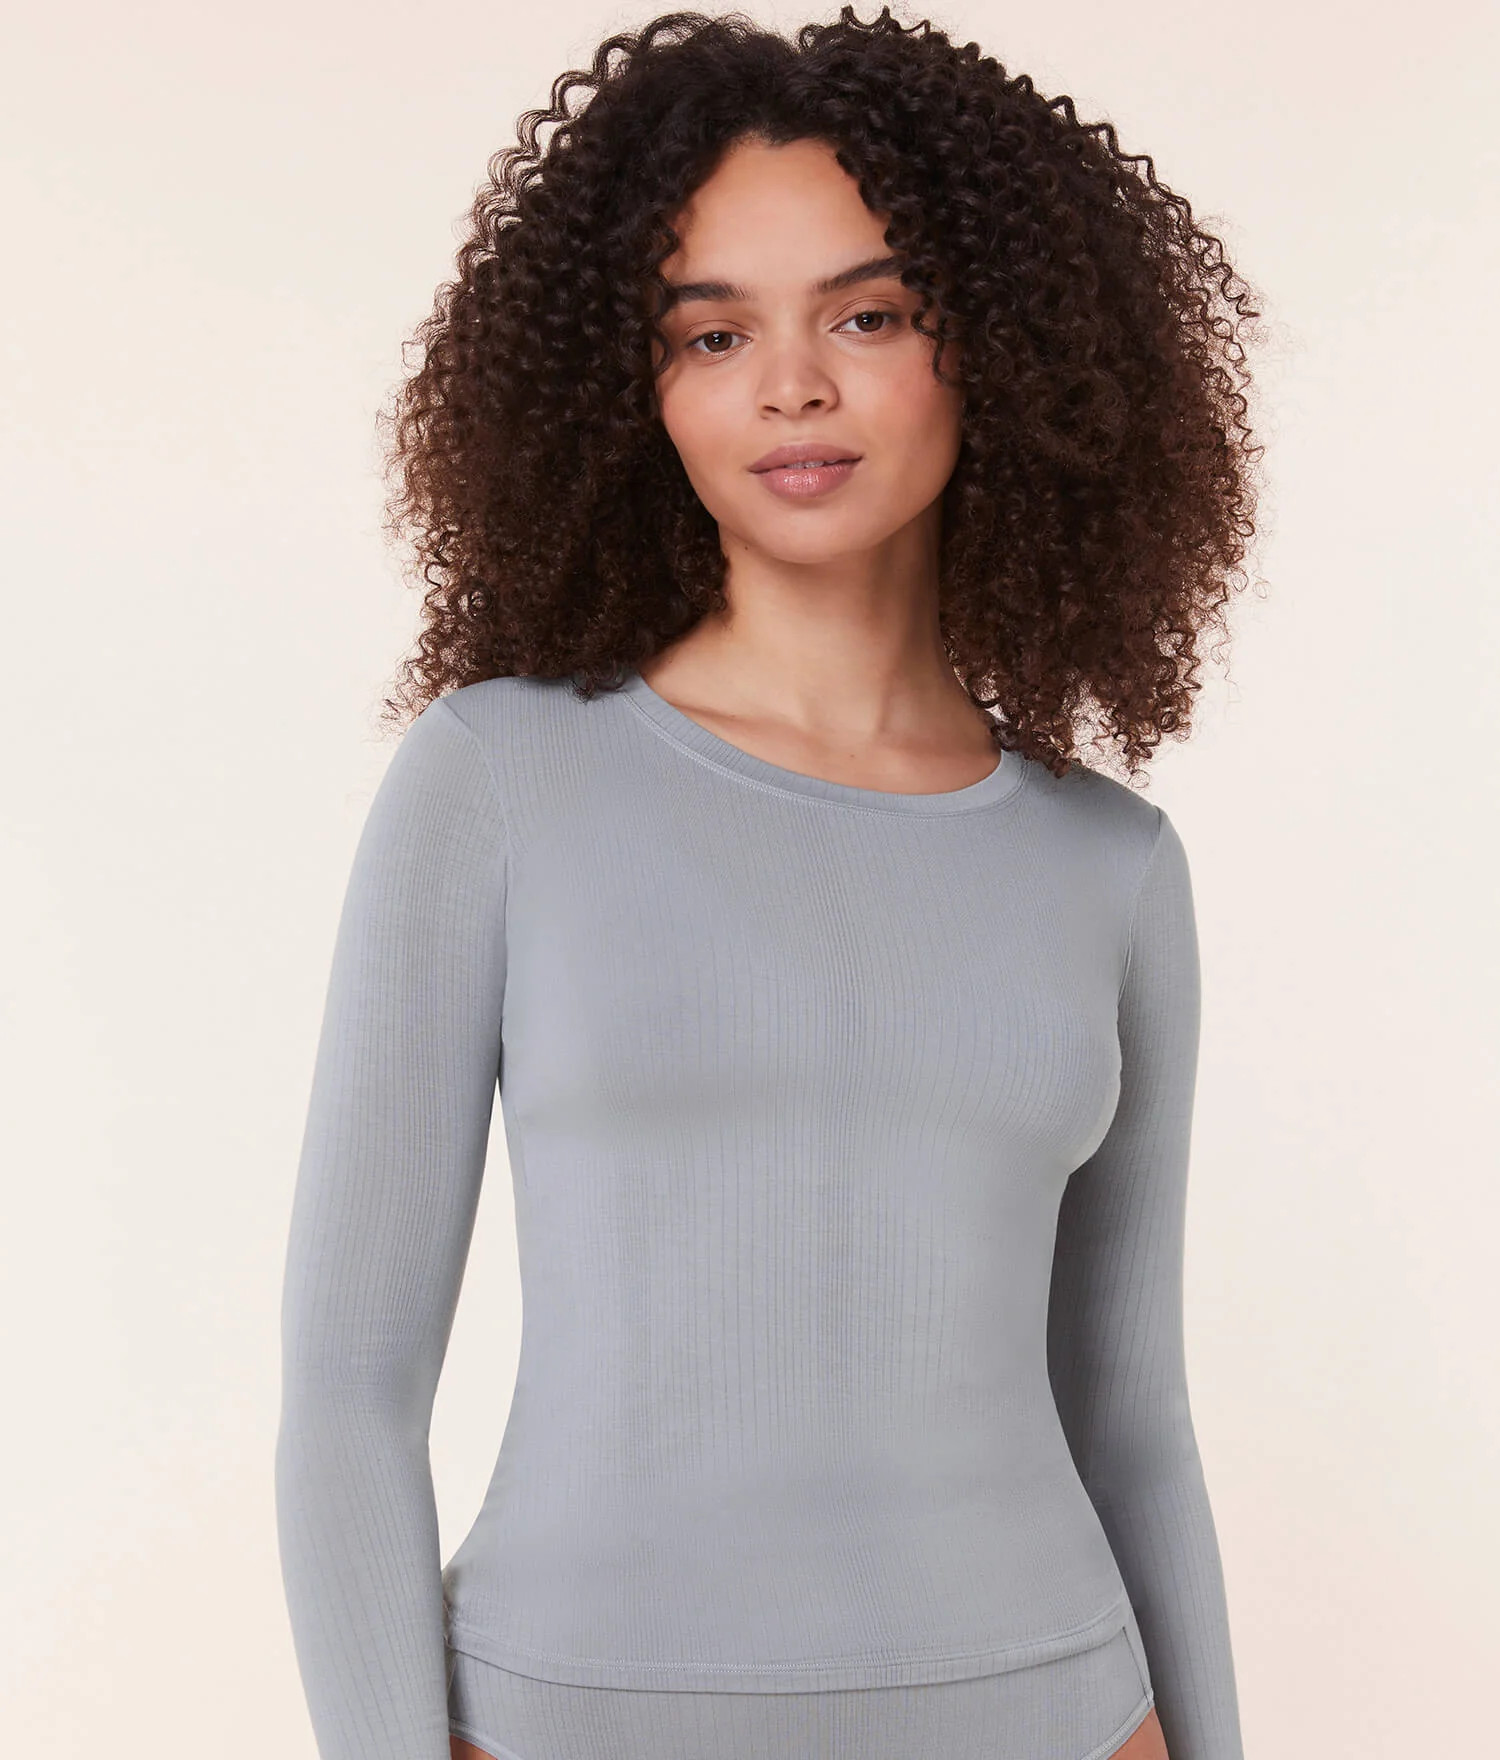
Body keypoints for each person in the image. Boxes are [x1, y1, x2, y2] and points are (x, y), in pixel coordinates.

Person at [274, 9, 1266, 1760]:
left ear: (1004, 345)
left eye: (868, 316)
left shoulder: (1110, 865)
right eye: (714, 332)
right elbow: (349, 1398)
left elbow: (1133, 1419)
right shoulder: (498, 781)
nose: (790, 386)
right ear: (636, 386)